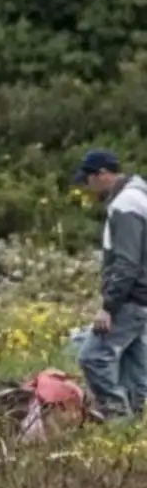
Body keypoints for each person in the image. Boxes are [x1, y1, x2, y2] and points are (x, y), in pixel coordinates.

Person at [72, 149, 147, 419]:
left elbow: (127, 263)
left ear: (103, 174)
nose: (87, 187)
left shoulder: (126, 205)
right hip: (141, 299)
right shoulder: (139, 196)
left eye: (88, 179)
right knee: (134, 367)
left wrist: (109, 306)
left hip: (130, 298)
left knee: (92, 357)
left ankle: (118, 420)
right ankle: (137, 426)